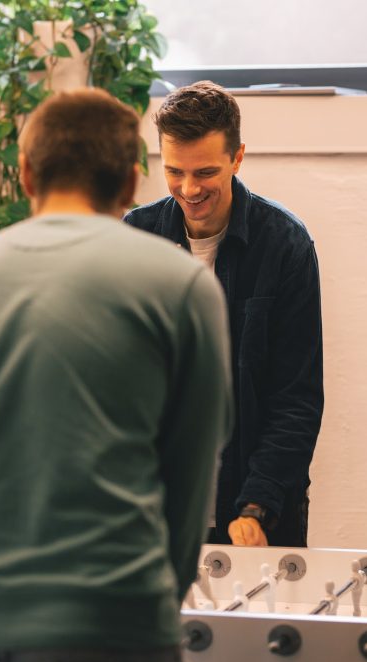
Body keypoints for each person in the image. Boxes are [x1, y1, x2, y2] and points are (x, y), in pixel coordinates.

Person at [0, 88, 232, 662]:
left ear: (25, 173)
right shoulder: (180, 287)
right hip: (115, 628)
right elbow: (189, 483)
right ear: (133, 182)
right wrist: (152, 597)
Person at [125, 80, 324, 548]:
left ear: (237, 158)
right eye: (175, 171)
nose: (189, 190)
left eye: (205, 172)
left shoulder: (286, 246)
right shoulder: (135, 238)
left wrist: (255, 507)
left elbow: (296, 400)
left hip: (259, 510)